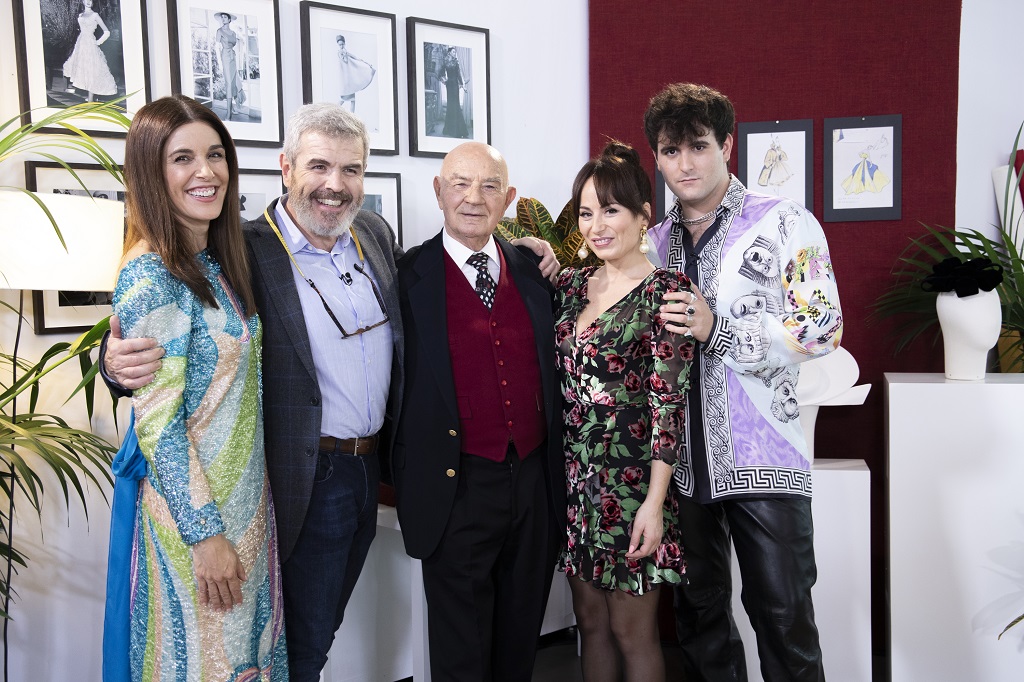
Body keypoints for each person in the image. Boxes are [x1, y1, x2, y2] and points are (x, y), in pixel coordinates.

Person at [102, 105, 559, 681]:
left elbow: (436, 294)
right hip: (302, 476)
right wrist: (114, 360)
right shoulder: (244, 247)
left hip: (372, 470)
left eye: (351, 170)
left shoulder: (373, 234)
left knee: (318, 634)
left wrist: (521, 248)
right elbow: (176, 314)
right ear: (286, 168)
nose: (335, 185)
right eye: (319, 166)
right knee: (298, 647)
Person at [643, 82, 843, 681]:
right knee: (700, 625)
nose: (685, 164)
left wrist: (719, 330)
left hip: (766, 461)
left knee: (784, 623)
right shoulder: (653, 243)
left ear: (727, 145)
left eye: (699, 146)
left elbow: (822, 325)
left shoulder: (783, 221)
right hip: (682, 468)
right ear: (657, 157)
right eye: (671, 150)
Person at [104, 94, 287, 680]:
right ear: (150, 172)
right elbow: (159, 424)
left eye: (215, 154)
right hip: (198, 523)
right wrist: (205, 536)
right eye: (182, 158)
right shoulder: (151, 272)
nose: (205, 171)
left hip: (245, 507)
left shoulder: (215, 258)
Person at [393, 141, 565, 681]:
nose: (474, 197)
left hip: (533, 483)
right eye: (460, 184)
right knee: (461, 655)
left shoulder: (535, 271)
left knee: (520, 643)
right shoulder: (404, 278)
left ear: (508, 199)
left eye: (490, 186)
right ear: (438, 192)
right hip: (455, 488)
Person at [555, 141, 693, 681]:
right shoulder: (570, 286)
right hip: (576, 483)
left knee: (632, 632)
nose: (596, 226)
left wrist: (654, 504)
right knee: (590, 624)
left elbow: (668, 406)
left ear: (643, 216)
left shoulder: (668, 293)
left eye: (610, 210)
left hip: (634, 486)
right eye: (586, 212)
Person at [62, 0, 117, 102]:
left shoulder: (95, 15)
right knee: (81, 68)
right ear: (82, 1)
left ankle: (90, 100)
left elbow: (107, 32)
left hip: (90, 44)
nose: (88, 2)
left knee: (92, 70)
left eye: (90, 0)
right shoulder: (81, 15)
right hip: (81, 44)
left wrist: (97, 42)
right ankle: (88, 97)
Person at [336, 34, 376, 113]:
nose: (341, 46)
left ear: (344, 43)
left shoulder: (345, 52)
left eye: (342, 44)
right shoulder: (340, 53)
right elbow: (345, 61)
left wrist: (366, 63)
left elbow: (356, 57)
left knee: (352, 100)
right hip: (346, 81)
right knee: (343, 99)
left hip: (349, 80)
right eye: (340, 45)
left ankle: (352, 115)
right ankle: (333, 110)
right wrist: (345, 55)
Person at [215, 12, 243, 121]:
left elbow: (237, 43)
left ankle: (233, 108)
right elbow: (217, 47)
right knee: (229, 84)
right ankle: (228, 113)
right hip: (225, 57)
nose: (223, 19)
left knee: (234, 81)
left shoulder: (233, 33)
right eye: (222, 17)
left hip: (233, 57)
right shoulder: (219, 31)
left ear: (229, 19)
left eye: (225, 17)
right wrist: (219, 63)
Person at [439, 46, 469, 138]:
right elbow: (440, 73)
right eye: (453, 52)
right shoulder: (445, 61)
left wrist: (463, 86)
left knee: (456, 105)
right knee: (450, 106)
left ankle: (458, 131)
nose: (454, 53)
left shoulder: (456, 62)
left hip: (455, 85)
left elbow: (459, 75)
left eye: (455, 52)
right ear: (449, 53)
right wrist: (444, 80)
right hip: (449, 85)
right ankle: (449, 129)